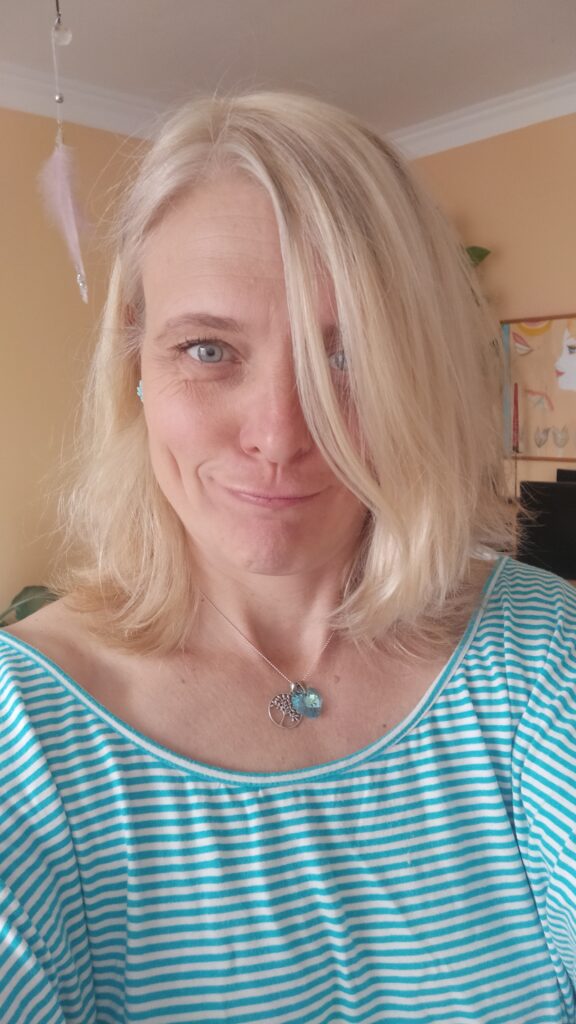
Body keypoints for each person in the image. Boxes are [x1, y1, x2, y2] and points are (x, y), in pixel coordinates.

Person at [1, 91, 575, 1024]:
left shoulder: (540, 648)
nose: (278, 434)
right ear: (136, 367)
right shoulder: (22, 731)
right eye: (208, 349)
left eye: (346, 357)